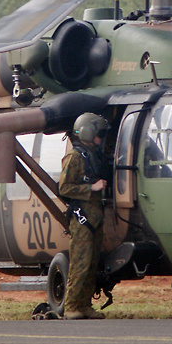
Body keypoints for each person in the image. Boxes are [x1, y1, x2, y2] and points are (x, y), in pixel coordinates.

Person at [59, 113, 109, 320]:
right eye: (100, 133)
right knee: (80, 263)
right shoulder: (75, 157)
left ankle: (85, 304)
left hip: (95, 216)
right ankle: (71, 306)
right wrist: (92, 187)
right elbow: (64, 187)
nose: (101, 138)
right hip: (82, 218)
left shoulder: (93, 156)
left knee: (92, 263)